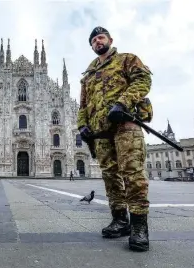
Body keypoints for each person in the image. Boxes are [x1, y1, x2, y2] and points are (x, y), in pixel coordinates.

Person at [77, 26, 153, 252]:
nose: (97, 42)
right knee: (110, 177)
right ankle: (120, 220)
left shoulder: (127, 59)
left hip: (125, 125)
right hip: (100, 132)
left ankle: (139, 227)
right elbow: (83, 105)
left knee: (133, 174)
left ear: (110, 39)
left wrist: (123, 103)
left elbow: (143, 80)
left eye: (100, 38)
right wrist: (82, 125)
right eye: (93, 41)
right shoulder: (88, 75)